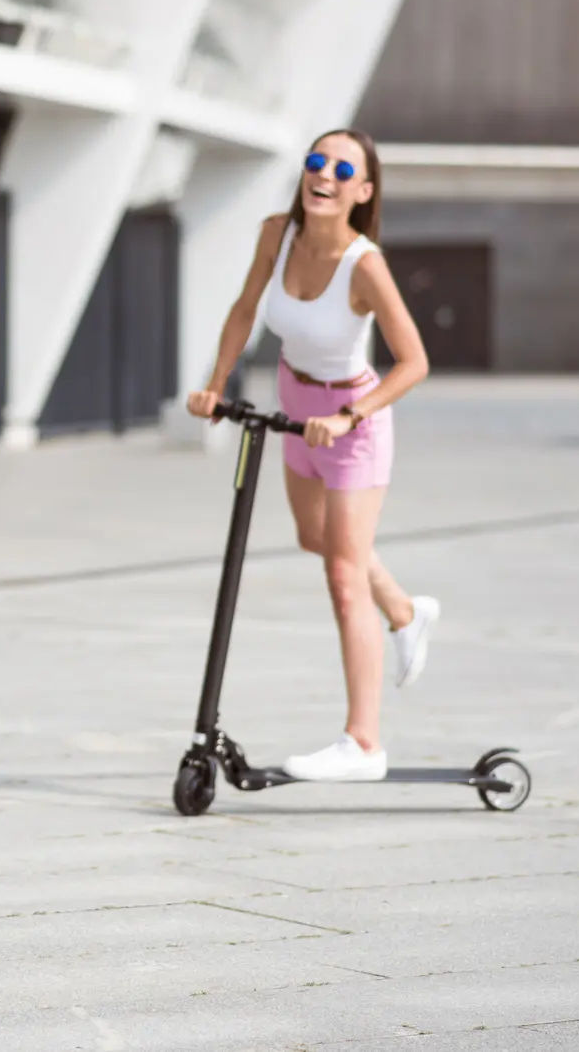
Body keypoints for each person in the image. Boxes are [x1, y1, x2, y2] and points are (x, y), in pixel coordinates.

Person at [186, 128, 436, 783]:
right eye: (315, 162)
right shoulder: (277, 233)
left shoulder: (365, 265)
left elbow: (414, 363)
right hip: (296, 408)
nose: (323, 175)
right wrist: (216, 385)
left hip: (352, 423)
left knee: (344, 579)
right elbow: (244, 310)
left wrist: (350, 414)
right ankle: (406, 609)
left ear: (363, 190)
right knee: (313, 537)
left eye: (341, 169)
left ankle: (364, 743)